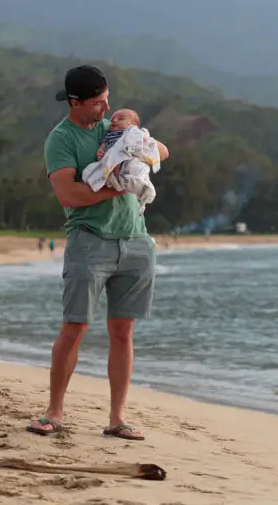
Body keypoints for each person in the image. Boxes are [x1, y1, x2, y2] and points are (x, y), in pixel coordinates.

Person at [27, 65, 169, 442]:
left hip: (136, 241)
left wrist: (142, 154)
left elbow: (158, 151)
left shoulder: (116, 128)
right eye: (97, 103)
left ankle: (117, 418)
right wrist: (119, 187)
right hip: (89, 241)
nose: (105, 109)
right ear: (75, 102)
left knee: (123, 332)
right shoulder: (61, 139)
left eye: (107, 100)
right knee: (74, 328)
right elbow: (69, 195)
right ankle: (54, 411)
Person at [82, 107, 161, 214]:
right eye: (113, 119)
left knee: (135, 169)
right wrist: (100, 151)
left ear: (132, 124)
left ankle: (144, 189)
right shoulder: (109, 135)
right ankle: (112, 180)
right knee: (89, 170)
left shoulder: (133, 132)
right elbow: (103, 146)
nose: (114, 121)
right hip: (112, 161)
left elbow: (144, 143)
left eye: (120, 119)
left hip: (129, 158)